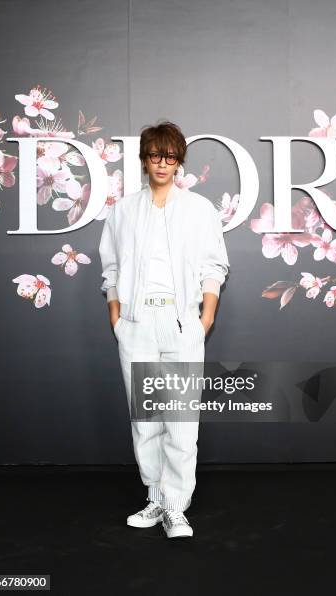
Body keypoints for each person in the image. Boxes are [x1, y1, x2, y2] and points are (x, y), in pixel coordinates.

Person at [99, 121, 230, 538]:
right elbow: (111, 269)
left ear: (179, 162)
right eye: (155, 155)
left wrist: (204, 318)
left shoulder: (198, 209)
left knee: (180, 420)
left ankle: (176, 506)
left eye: (171, 157)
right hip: (136, 326)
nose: (163, 164)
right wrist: (117, 317)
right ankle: (156, 498)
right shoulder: (122, 211)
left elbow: (215, 266)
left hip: (180, 322)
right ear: (144, 158)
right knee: (146, 420)